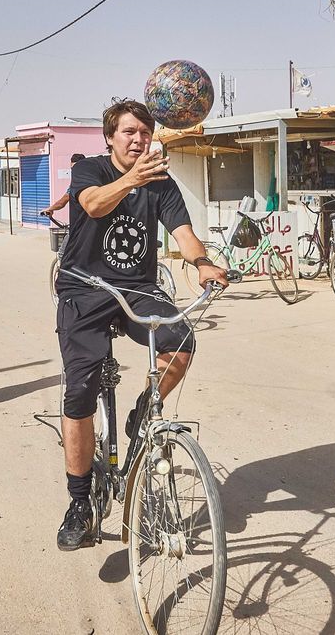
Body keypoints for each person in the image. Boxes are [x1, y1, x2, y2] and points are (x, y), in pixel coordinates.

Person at [53, 100, 228, 551]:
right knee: (80, 391)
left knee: (181, 342)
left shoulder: (162, 183)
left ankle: (142, 411)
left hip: (136, 288)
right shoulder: (89, 170)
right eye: (130, 132)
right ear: (110, 136)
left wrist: (204, 263)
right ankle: (78, 502)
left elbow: (182, 231)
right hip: (84, 287)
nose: (138, 139)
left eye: (145, 132)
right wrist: (132, 178)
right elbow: (91, 206)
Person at [40, 153, 87, 219]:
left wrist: (50, 208)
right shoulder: (93, 179)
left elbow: (62, 202)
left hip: (82, 222)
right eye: (73, 169)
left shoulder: (78, 182)